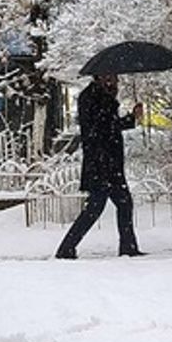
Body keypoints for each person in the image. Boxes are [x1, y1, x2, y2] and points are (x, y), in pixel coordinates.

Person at [56, 74, 145, 259]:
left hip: (108, 164)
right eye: (112, 78)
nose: (116, 81)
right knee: (96, 208)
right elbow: (106, 127)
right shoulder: (92, 97)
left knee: (122, 203)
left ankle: (128, 247)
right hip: (100, 164)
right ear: (101, 77)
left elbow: (109, 125)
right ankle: (66, 248)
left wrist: (128, 115)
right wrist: (130, 118)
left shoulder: (101, 97)